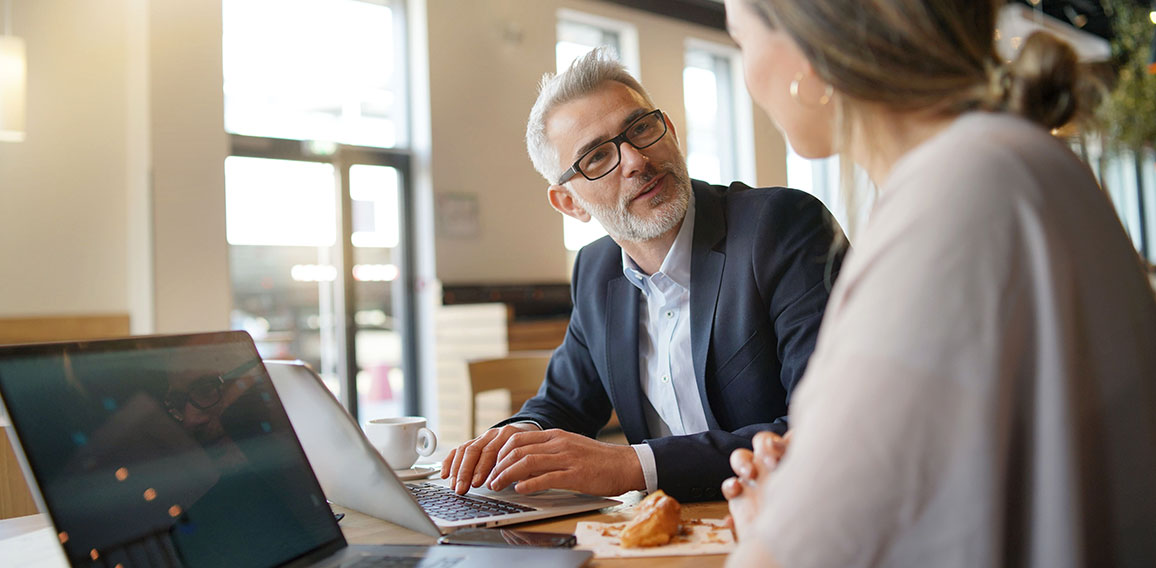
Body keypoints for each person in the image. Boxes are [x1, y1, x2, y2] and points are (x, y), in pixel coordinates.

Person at [720, 0, 1156, 566]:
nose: (747, 71)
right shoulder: (1018, 162)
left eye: (741, 39)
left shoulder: (956, 197)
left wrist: (771, 521)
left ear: (810, 49)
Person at [441, 48, 847, 502]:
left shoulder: (780, 226)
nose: (635, 160)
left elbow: (828, 426)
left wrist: (632, 465)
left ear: (669, 130)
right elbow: (562, 403)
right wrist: (513, 438)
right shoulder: (596, 271)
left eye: (640, 128)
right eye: (596, 157)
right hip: (667, 534)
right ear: (569, 203)